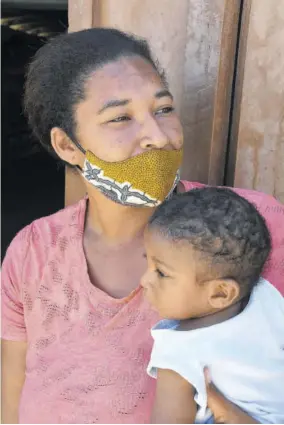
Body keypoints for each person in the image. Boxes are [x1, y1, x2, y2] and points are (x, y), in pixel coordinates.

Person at [1, 28, 283, 424]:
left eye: (164, 109)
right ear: (68, 146)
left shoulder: (249, 227)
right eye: (120, 117)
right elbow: (11, 395)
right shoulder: (32, 252)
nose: (157, 136)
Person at [142, 187, 284, 424]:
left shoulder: (178, 351)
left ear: (220, 293)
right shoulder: (266, 299)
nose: (144, 281)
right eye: (147, 264)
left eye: (162, 273)